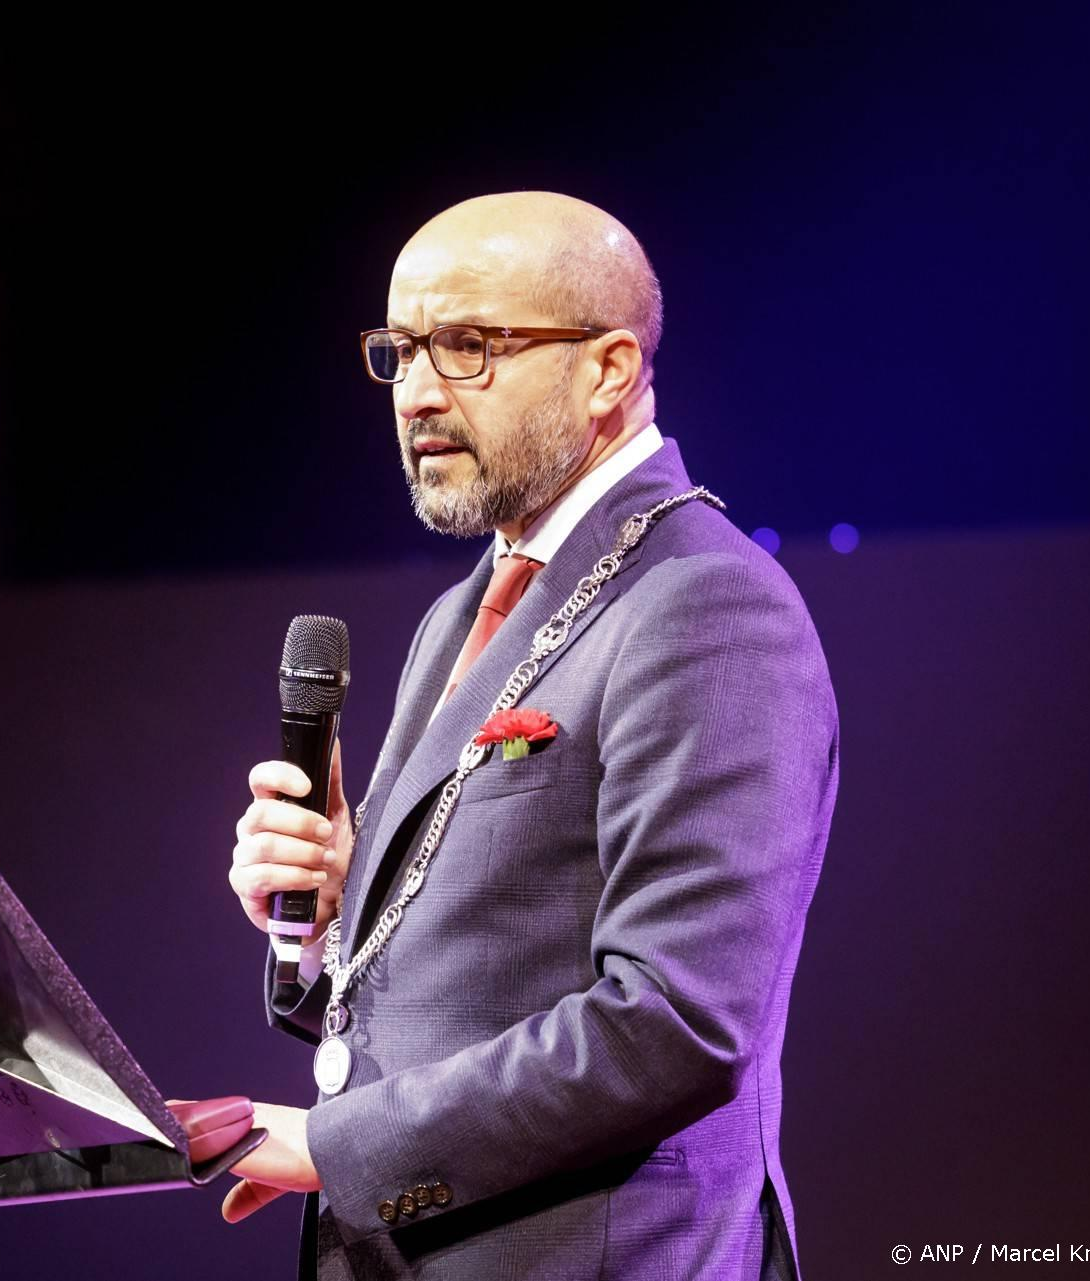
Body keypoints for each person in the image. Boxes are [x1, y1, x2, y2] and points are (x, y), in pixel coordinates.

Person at [216, 191, 841, 1279]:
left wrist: (332, 1146)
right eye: (401, 351)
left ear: (606, 370)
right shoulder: (462, 613)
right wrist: (322, 925)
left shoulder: (705, 606)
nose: (416, 392)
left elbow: (676, 1021)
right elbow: (447, 983)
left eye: (466, 346)